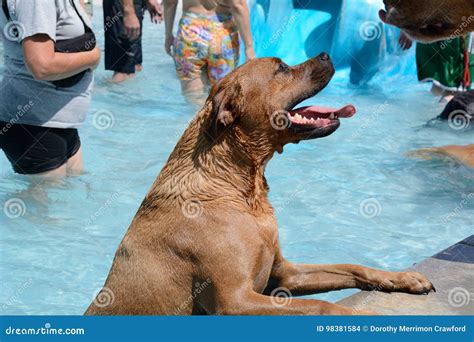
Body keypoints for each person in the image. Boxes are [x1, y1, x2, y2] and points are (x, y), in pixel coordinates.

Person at [0, 0, 100, 177]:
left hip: (60, 119)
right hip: (34, 123)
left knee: (70, 196)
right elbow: (41, 66)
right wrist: (93, 57)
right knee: (44, 203)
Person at [164, 0, 255, 102]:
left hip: (189, 33)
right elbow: (237, 4)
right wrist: (249, 47)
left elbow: (170, 2)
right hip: (222, 34)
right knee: (221, 97)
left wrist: (168, 35)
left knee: (194, 95)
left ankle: (199, 114)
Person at [399, 31, 474, 103]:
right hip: (455, 30)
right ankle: (441, 114)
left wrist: (407, 28)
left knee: (438, 87)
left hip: (428, 31)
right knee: (454, 91)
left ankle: (429, 113)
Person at [103, 0, 163, 83]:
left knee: (135, 66)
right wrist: (128, 11)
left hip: (132, 4)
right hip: (124, 4)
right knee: (124, 70)